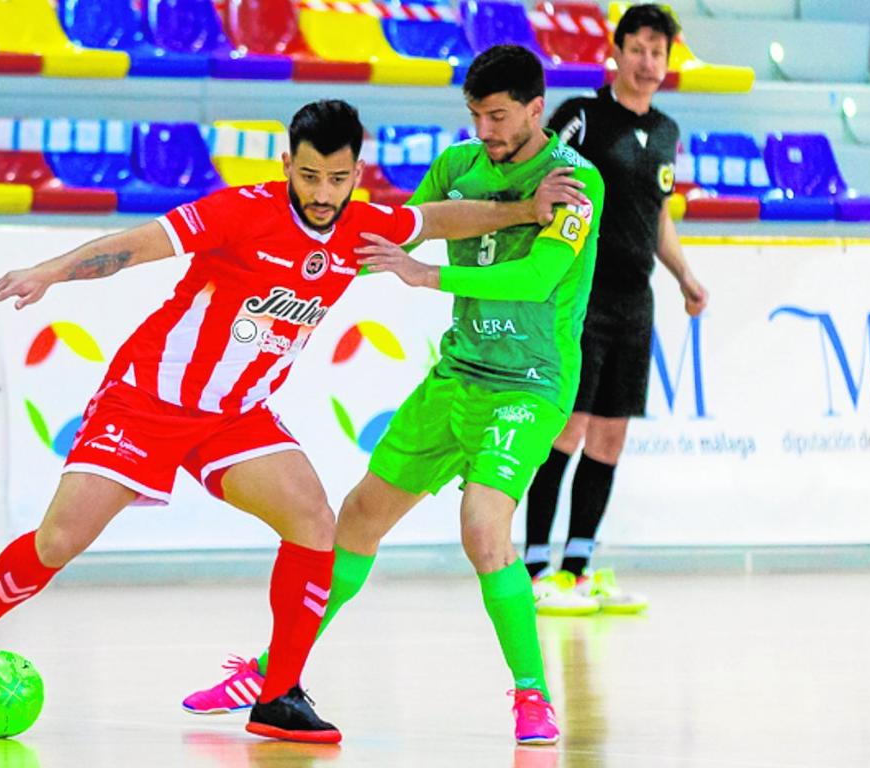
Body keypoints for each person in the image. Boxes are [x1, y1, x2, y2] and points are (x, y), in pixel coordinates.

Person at [0, 99, 586, 744]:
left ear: (357, 173)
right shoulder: (242, 211)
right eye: (311, 176)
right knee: (59, 541)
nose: (323, 193)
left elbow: (437, 221)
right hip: (148, 400)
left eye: (339, 179)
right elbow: (139, 245)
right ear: (288, 163)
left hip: (235, 416)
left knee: (315, 522)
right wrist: (51, 271)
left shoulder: (357, 227)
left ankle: (279, 695)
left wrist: (528, 208)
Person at [181, 45, 605, 746]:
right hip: (457, 376)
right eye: (475, 114)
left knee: (482, 527)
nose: (486, 130)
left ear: (536, 108)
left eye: (498, 116)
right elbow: (391, 234)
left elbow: (535, 280)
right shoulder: (461, 166)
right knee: (356, 519)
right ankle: (272, 672)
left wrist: (424, 277)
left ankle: (533, 695)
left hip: (529, 387)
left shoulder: (575, 181)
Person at [525, 3, 709, 616]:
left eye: (660, 52)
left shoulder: (666, 132)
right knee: (566, 431)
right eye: (640, 48)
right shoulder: (581, 116)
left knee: (609, 438)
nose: (649, 61)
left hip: (637, 303)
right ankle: (532, 569)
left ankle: (575, 570)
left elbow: (659, 216)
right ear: (619, 50)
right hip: (580, 300)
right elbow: (539, 181)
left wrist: (684, 276)